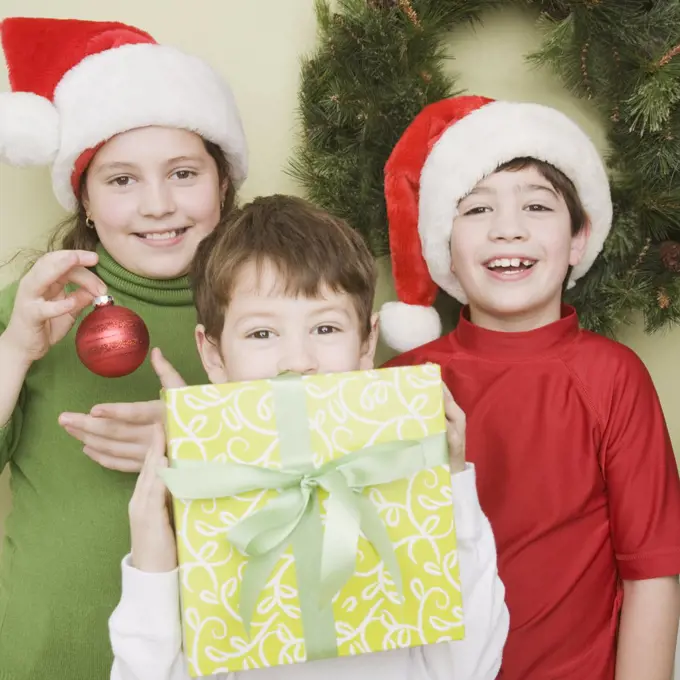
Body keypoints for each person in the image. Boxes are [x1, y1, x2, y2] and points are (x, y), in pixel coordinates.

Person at [108, 195, 509, 680]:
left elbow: (471, 668)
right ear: (212, 355)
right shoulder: (202, 496)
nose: (297, 360)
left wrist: (452, 488)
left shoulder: (405, 478)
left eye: (324, 327)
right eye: (261, 334)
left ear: (367, 344)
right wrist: (153, 558)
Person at [379, 95, 680, 680]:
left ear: (577, 240)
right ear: (444, 247)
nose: (508, 229)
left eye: (537, 207)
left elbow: (653, 572)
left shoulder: (613, 377)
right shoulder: (403, 384)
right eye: (476, 210)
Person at [0, 16, 248, 680]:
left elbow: (348, 455)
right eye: (121, 180)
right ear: (82, 197)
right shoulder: (34, 306)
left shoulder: (271, 303)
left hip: (224, 652)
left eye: (184, 173)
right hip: (51, 652)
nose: (158, 205)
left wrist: (199, 440)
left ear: (223, 181)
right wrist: (15, 350)